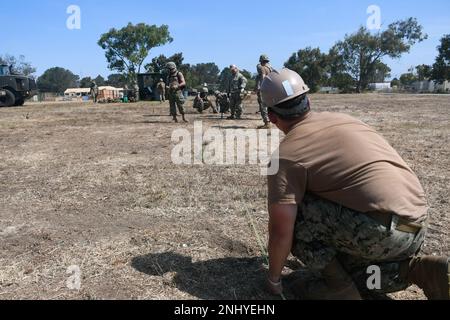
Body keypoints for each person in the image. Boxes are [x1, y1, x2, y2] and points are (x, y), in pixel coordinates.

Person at [261, 68, 449, 300]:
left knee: (293, 216)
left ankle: (339, 288)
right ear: (308, 100)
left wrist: (273, 279)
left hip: (381, 233)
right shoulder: (346, 120)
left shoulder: (285, 158)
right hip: (416, 226)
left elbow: (281, 231)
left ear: (271, 116)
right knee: (353, 271)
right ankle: (417, 270)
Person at [256, 54, 274, 129]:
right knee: (270, 105)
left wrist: (262, 87)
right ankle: (270, 121)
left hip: (265, 89)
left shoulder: (262, 68)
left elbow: (263, 77)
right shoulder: (270, 68)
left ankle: (267, 123)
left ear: (261, 61)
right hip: (271, 88)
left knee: (263, 106)